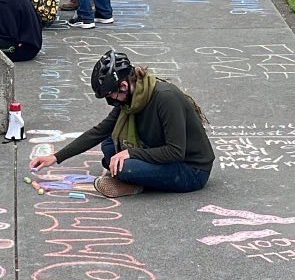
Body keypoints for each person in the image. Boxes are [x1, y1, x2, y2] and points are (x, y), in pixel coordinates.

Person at [29, 50, 214, 198]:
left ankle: (134, 183)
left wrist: (131, 152)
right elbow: (100, 131)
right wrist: (56, 156)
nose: (112, 102)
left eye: (111, 97)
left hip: (191, 169)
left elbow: (175, 151)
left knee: (125, 167)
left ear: (124, 86)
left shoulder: (166, 98)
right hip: (156, 147)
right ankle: (132, 176)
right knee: (109, 143)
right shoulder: (131, 99)